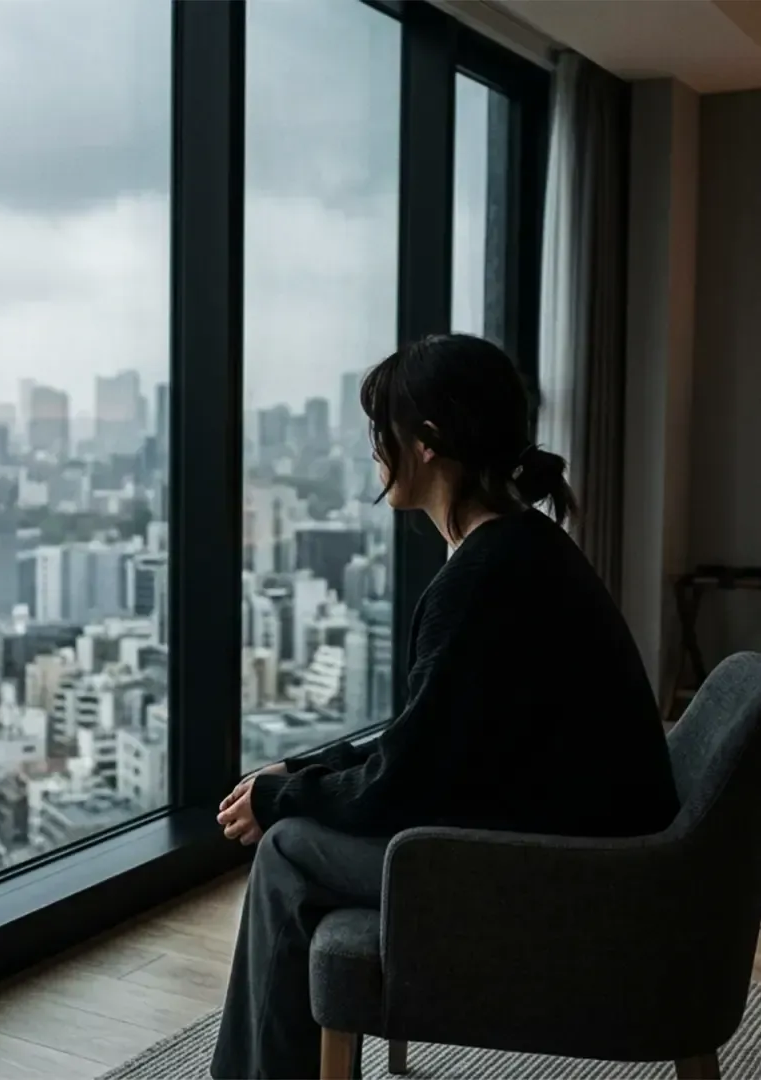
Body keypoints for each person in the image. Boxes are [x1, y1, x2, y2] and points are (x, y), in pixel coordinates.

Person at [209, 334, 681, 1080]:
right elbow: (429, 733)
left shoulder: (483, 580)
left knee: (287, 851)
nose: (374, 452)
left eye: (381, 433)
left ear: (426, 444)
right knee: (294, 827)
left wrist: (282, 795)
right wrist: (303, 767)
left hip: (568, 872)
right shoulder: (525, 547)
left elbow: (407, 780)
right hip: (589, 843)